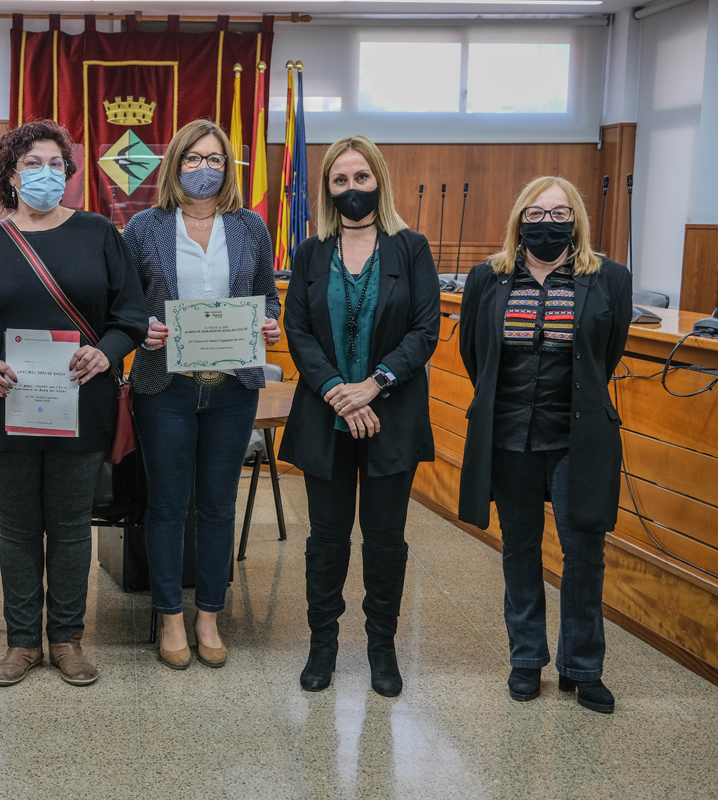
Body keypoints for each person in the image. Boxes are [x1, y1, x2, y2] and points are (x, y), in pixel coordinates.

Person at [0, 120, 146, 687]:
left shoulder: (100, 234)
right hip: (6, 409)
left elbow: (130, 317)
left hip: (82, 406)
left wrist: (105, 353)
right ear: (10, 173)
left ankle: (68, 639)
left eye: (55, 163)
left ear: (70, 174)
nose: (45, 173)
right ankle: (23, 642)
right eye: (32, 164)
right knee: (20, 524)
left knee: (73, 524)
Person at [458, 176, 632, 714]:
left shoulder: (610, 279)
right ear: (518, 220)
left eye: (559, 214)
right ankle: (526, 660)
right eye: (536, 213)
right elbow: (474, 354)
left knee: (584, 554)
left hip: (577, 439)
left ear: (576, 220)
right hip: (510, 436)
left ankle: (583, 667)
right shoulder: (489, 277)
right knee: (520, 550)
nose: (547, 222)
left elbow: (608, 350)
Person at [279, 134, 440, 697]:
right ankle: (322, 643)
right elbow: (297, 331)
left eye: (361, 178)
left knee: (386, 539)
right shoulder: (309, 252)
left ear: (379, 181)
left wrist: (371, 387)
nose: (352, 188)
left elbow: (425, 332)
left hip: (390, 416)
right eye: (340, 180)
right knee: (326, 538)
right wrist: (336, 392)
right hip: (326, 416)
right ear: (328, 188)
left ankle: (381, 647)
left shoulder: (411, 247)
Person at [123, 119, 281, 671]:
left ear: (228, 167)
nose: (204, 169)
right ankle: (169, 616)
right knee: (166, 505)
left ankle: (208, 616)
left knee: (217, 506)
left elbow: (267, 298)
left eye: (214, 159)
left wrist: (269, 326)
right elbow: (122, 304)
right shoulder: (144, 226)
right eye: (192, 159)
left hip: (233, 388)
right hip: (164, 386)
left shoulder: (249, 226)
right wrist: (144, 325)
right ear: (174, 166)